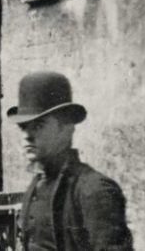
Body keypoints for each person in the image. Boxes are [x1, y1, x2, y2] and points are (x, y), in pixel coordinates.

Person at [7, 71, 133, 250]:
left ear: (66, 129)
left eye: (39, 126)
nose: (27, 135)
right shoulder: (38, 183)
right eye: (23, 127)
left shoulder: (94, 190)